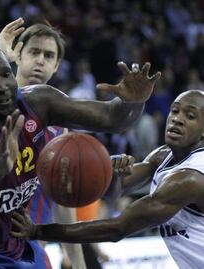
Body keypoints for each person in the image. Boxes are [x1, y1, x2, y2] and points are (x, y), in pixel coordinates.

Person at [0, 42, 160, 268]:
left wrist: (133, 102)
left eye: (5, 74)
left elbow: (112, 118)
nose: (2, 87)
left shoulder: (38, 101)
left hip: (12, 240)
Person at [11, 89, 204, 268]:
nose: (177, 119)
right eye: (175, 111)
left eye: (190, 116)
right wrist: (116, 176)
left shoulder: (190, 178)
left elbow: (118, 228)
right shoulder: (163, 156)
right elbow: (114, 193)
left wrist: (38, 231)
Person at [0, 19, 86, 268]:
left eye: (49, 56)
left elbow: (62, 203)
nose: (40, 60)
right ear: (17, 54)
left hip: (32, 251)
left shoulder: (59, 127)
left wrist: (78, 263)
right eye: (34, 52)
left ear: (57, 65)